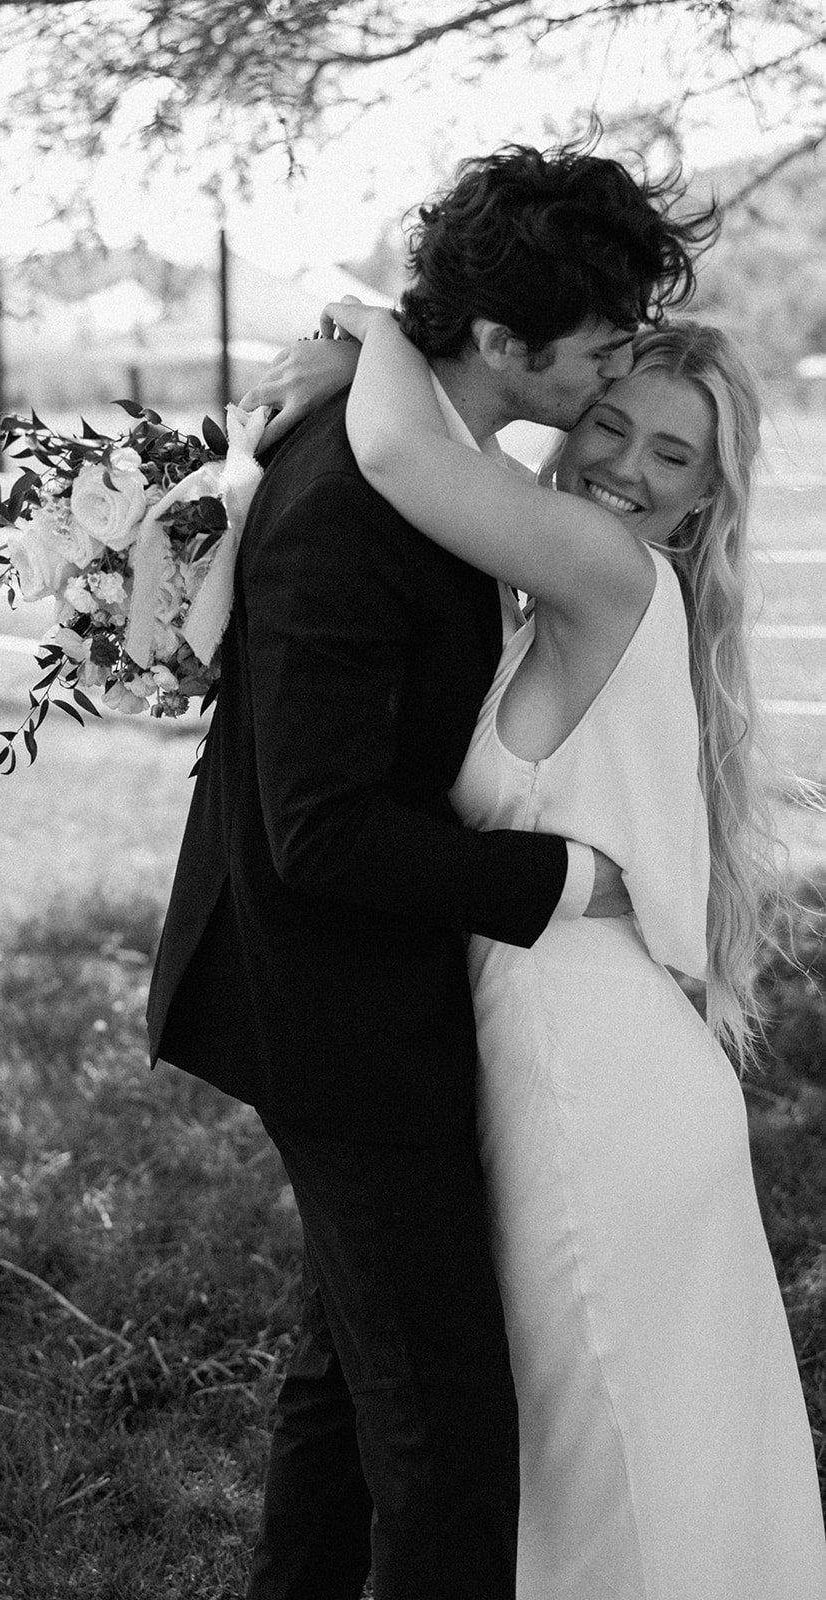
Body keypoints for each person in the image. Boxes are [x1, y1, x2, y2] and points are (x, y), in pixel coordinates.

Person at [147, 140, 717, 1600]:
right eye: (596, 340)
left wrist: (360, 331)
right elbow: (320, 830)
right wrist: (560, 884)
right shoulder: (356, 493)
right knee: (445, 1432)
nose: (610, 370)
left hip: (378, 992)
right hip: (331, 1011)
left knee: (348, 1385)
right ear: (505, 342)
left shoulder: (436, 463)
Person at [261, 302, 826, 1596]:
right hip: (580, 1047)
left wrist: (365, 325)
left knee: (598, 1447)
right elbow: (462, 463)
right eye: (612, 423)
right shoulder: (573, 574)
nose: (625, 464)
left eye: (671, 456)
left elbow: (411, 453)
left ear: (700, 501)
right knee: (618, 1445)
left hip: (590, 1080)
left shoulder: (608, 570)